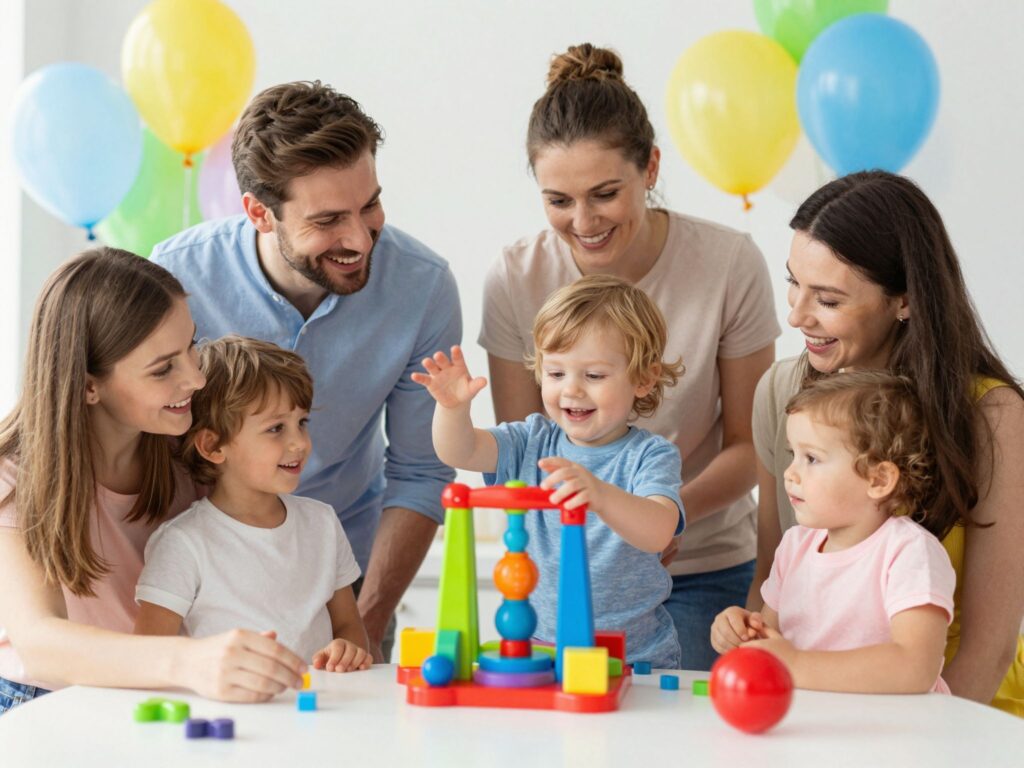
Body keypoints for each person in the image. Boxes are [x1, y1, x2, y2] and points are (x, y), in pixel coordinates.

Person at [478, 43, 779, 670]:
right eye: (558, 200)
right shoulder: (515, 277)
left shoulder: (728, 264)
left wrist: (660, 519)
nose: (583, 221)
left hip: (702, 569)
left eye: (605, 193)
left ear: (650, 169)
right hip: (565, 585)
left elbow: (751, 446)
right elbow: (518, 454)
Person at [151, 81, 462, 662]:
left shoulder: (423, 286)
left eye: (369, 204)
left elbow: (421, 472)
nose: (359, 237)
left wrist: (361, 624)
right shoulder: (175, 280)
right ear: (258, 213)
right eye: (327, 219)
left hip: (348, 585)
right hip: (202, 590)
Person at [750, 171, 1024, 714]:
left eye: (826, 298)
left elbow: (988, 648)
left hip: (959, 706)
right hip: (824, 706)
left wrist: (931, 742)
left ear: (904, 300)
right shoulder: (782, 391)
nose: (797, 315)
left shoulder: (990, 415)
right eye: (793, 283)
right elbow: (769, 580)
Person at [0, 248, 306, 716]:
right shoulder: (15, 475)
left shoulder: (182, 449)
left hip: (157, 694)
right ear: (88, 386)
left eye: (192, 347)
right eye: (164, 369)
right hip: (45, 703)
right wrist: (190, 661)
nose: (197, 379)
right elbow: (39, 640)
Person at [416, 275, 685, 668]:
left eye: (593, 376)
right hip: (543, 653)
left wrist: (601, 494)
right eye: (557, 374)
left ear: (643, 378)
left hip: (635, 657)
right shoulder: (531, 440)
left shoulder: (650, 455)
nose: (571, 390)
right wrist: (452, 409)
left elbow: (659, 530)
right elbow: (460, 450)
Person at [135, 336, 370, 673]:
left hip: (318, 716)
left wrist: (348, 649)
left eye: (302, 423)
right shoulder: (183, 543)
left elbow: (349, 627)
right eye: (276, 428)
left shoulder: (322, 523)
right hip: (231, 719)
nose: (299, 442)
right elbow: (149, 656)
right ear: (213, 446)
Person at [713, 372, 955, 693]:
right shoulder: (794, 546)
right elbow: (769, 639)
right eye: (792, 454)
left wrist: (796, 663)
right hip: (813, 729)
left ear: (878, 480)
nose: (790, 473)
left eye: (811, 458)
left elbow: (915, 667)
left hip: (895, 736)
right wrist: (739, 631)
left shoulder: (909, 552)